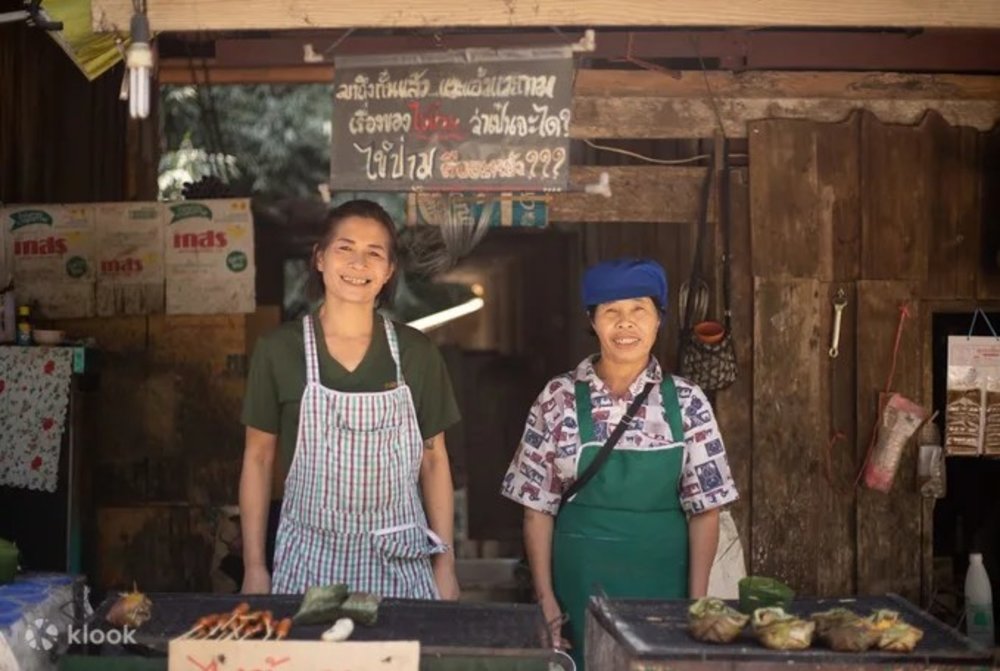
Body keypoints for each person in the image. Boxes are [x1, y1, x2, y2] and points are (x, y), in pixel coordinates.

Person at [501, 258, 739, 668]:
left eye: (638, 310)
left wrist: (696, 604)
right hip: (579, 588)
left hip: (666, 589)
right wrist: (547, 600)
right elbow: (536, 509)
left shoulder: (687, 401)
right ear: (592, 321)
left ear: (658, 319)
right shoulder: (557, 398)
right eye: (611, 311)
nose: (625, 324)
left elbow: (706, 510)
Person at [240, 199, 461, 600]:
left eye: (374, 253)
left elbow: (434, 460)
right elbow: (257, 459)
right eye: (345, 248)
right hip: (307, 561)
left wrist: (444, 566)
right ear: (320, 258)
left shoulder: (417, 353)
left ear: (389, 270)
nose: (358, 264)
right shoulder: (278, 350)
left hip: (401, 563)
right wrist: (255, 566)